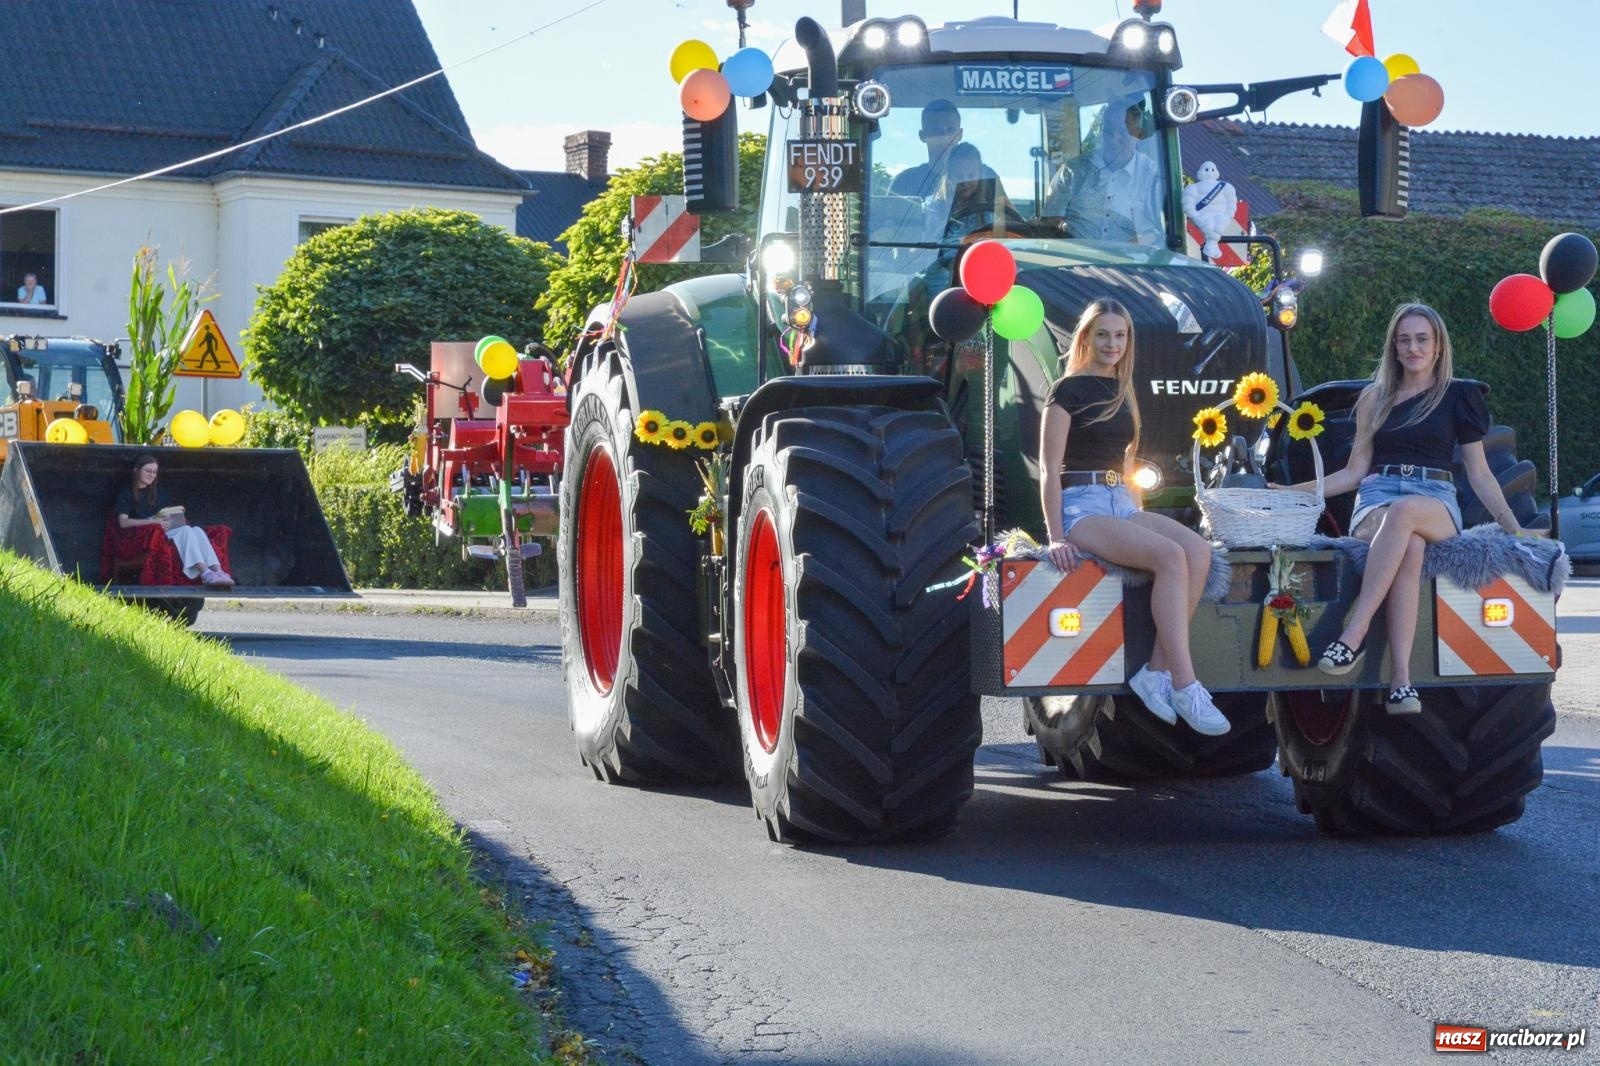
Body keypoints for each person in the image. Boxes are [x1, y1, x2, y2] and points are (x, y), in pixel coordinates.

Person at [1281, 303, 1535, 714]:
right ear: (1394, 348)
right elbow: (1353, 473)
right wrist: (1293, 491)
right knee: (1410, 546)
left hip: (1434, 498)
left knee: (1406, 516)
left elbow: (1480, 472)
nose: (1413, 347)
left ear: (1437, 347)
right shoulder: (1373, 399)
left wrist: (1512, 526)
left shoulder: (1459, 396)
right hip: (1376, 496)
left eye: (1422, 339)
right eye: (1404, 340)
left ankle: (1353, 634)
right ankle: (1402, 682)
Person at [1039, 298, 1231, 735]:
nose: (1112, 343)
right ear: (1086, 338)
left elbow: (1126, 465)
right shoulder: (1066, 391)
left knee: (1197, 551)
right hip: (1081, 506)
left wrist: (1136, 515)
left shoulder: (1122, 390)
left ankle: (1155, 672)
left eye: (1121, 335)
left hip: (1120, 500)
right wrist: (1055, 536)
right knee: (1168, 557)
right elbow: (1050, 469)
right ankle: (1185, 683)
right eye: (1103, 334)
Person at [1044, 101, 1164, 246]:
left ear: (1139, 135)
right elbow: (1049, 223)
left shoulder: (1152, 177)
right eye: (1108, 131)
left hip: (1131, 263)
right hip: (1076, 260)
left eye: (1122, 132)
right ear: (1100, 132)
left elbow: (1161, 232)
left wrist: (1130, 248)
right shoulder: (1073, 170)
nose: (1113, 139)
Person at [115, 454, 234, 587]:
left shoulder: (159, 493)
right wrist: (153, 521)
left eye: (154, 472)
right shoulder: (126, 493)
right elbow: (123, 522)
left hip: (164, 531)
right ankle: (205, 573)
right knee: (186, 532)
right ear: (136, 470)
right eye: (148, 471)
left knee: (197, 530)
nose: (151, 475)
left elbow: (167, 514)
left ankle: (218, 571)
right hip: (143, 535)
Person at [889, 100, 995, 200]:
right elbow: (885, 219)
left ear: (960, 134)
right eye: (936, 130)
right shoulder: (903, 183)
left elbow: (1005, 216)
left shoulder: (987, 176)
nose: (944, 136)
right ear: (922, 135)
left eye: (950, 129)